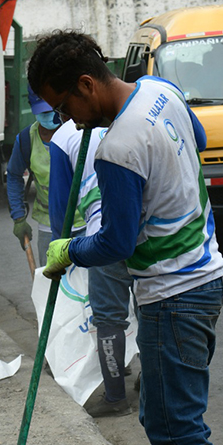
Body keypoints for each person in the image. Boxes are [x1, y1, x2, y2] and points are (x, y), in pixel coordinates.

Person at [28, 31, 223, 445]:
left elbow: (116, 243)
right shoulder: (160, 91)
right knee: (161, 417)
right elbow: (193, 137)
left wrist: (70, 249)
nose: (65, 119)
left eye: (65, 104)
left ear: (87, 85)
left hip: (173, 294)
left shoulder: (117, 148)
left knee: (177, 426)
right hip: (205, 274)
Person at [48, 121, 135, 417]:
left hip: (105, 233)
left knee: (109, 317)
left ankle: (115, 397)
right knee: (151, 309)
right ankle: (150, 385)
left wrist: (60, 249)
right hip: (145, 227)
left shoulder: (62, 138)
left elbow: (61, 204)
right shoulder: (126, 116)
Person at [7, 86, 82, 265]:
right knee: (51, 283)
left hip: (84, 223)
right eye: (42, 112)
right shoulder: (26, 140)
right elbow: (13, 176)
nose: (47, 116)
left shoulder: (78, 132)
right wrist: (18, 217)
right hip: (49, 225)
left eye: (50, 110)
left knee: (84, 287)